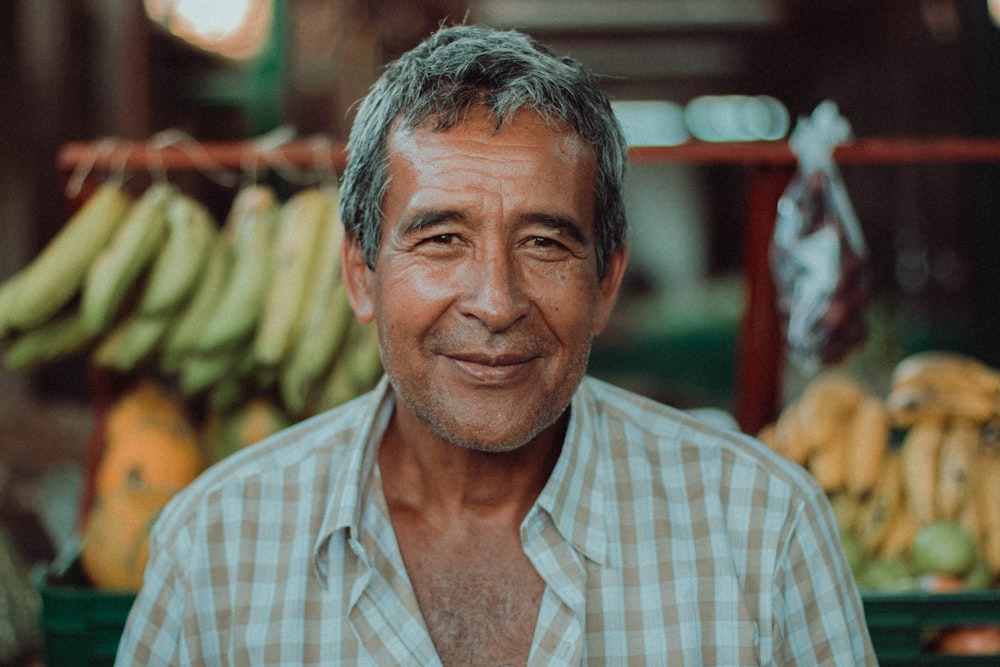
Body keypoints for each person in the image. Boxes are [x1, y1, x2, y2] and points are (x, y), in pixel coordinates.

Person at [115, 24, 878, 665]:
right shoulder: (213, 548)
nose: (496, 301)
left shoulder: (764, 529)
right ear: (361, 274)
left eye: (545, 242)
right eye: (441, 238)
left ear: (606, 281)